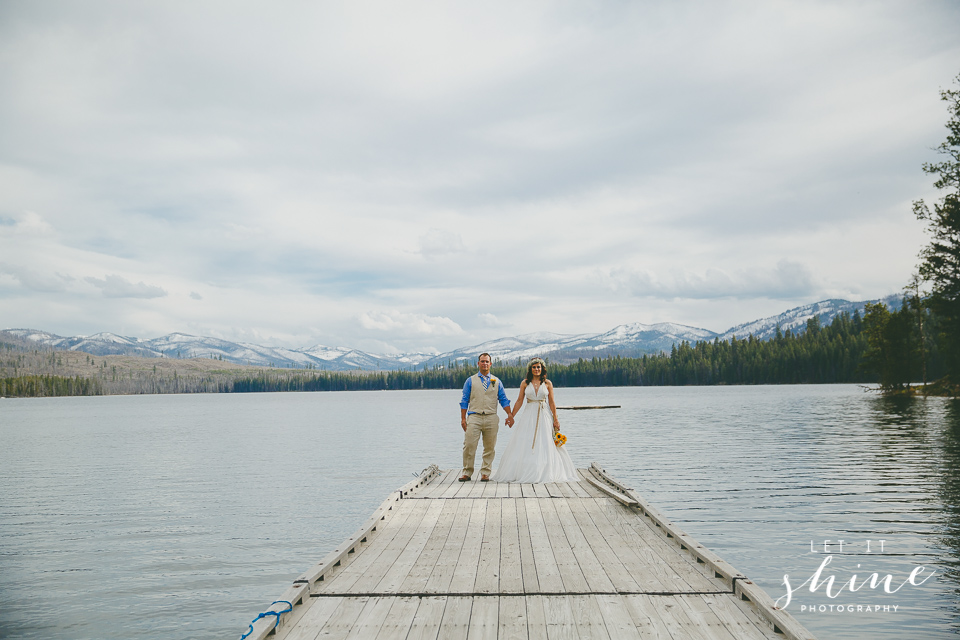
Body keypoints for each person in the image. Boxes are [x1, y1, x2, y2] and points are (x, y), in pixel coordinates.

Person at [490, 357, 578, 483]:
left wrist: (556, 419)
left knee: (545, 441)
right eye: (534, 367)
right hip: (529, 414)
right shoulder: (525, 383)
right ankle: (525, 470)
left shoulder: (548, 383)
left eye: (538, 367)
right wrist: (511, 416)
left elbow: (552, 402)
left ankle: (545, 470)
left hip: (544, 414)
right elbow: (520, 401)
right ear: (530, 369)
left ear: (542, 369)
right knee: (526, 441)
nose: (536, 369)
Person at [459, 353, 514, 482]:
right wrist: (462, 418)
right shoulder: (470, 380)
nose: (484, 364)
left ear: (490, 364)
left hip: (491, 417)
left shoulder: (497, 381)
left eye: (487, 362)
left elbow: (503, 400)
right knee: (469, 445)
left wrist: (509, 414)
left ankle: (485, 472)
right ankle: (467, 472)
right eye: (482, 361)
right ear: (478, 363)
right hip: (474, 416)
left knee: (490, 447)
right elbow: (464, 400)